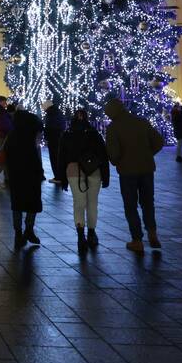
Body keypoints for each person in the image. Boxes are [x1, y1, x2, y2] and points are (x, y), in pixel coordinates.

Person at [105, 97, 165, 254]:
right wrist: (148, 154)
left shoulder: (113, 127)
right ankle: (152, 233)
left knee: (130, 205)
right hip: (146, 169)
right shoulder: (141, 122)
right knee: (148, 202)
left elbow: (113, 154)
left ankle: (137, 240)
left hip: (127, 172)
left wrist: (117, 161)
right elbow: (159, 141)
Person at [60, 108, 109, 253]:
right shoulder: (94, 134)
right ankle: (92, 233)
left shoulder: (67, 135)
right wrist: (106, 176)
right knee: (92, 203)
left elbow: (61, 157)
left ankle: (81, 235)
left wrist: (62, 179)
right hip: (93, 170)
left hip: (74, 171)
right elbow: (103, 155)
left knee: (79, 203)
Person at [4, 108, 44, 248]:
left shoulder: (12, 135)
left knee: (17, 205)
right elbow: (36, 155)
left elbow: (6, 153)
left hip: (16, 175)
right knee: (32, 203)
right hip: (31, 174)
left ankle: (18, 233)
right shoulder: (31, 133)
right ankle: (29, 229)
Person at [43, 99, 66, 184]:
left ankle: (58, 177)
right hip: (59, 137)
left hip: (53, 138)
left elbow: (49, 127)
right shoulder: (58, 112)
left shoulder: (50, 114)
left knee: (54, 158)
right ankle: (61, 176)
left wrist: (46, 137)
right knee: (59, 157)